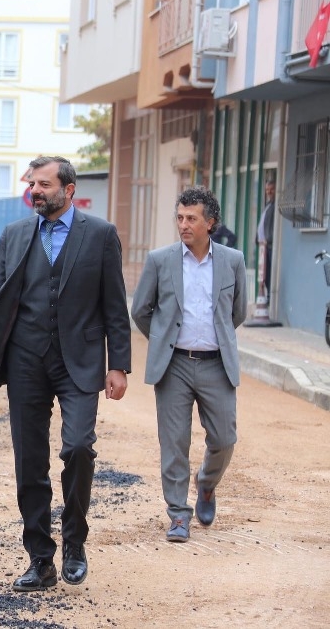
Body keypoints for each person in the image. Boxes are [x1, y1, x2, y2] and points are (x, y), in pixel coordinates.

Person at [0, 156, 131, 591]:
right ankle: (40, 559)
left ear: (69, 189)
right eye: (32, 184)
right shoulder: (15, 234)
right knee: (29, 461)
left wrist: (118, 364)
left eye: (44, 184)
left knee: (78, 447)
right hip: (25, 359)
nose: (35, 191)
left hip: (79, 359)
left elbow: (115, 305)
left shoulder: (100, 235)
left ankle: (74, 541)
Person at [131, 186, 247, 543]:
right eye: (180, 217)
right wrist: (164, 339)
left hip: (216, 364)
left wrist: (215, 338)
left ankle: (206, 484)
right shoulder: (160, 260)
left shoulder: (232, 260)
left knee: (225, 438)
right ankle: (179, 515)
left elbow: (238, 312)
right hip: (174, 366)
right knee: (174, 443)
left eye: (191, 218)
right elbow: (141, 310)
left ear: (210, 223)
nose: (183, 224)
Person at [256, 179, 275, 296]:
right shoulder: (268, 204)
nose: (269, 192)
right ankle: (266, 295)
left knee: (270, 272)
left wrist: (270, 238)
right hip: (263, 245)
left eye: (272, 189)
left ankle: (269, 296)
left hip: (270, 244)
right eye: (267, 190)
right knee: (264, 273)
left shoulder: (275, 205)